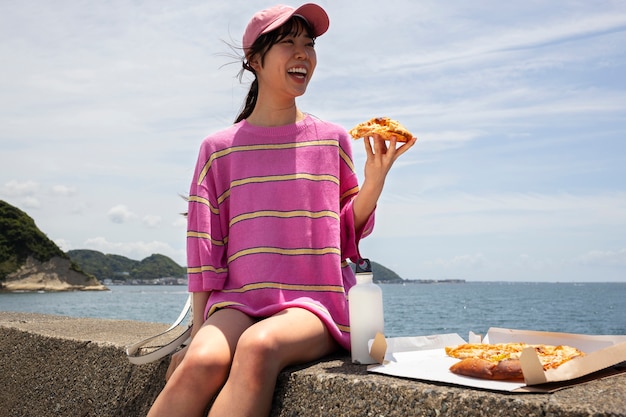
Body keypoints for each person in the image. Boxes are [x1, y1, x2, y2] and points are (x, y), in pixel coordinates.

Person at [147, 3, 415, 417]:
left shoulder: (332, 139)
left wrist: (374, 182)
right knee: (200, 362)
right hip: (237, 300)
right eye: (287, 43)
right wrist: (198, 333)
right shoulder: (218, 149)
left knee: (259, 346)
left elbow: (345, 235)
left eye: (308, 44)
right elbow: (205, 248)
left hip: (316, 303)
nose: (303, 54)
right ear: (254, 59)